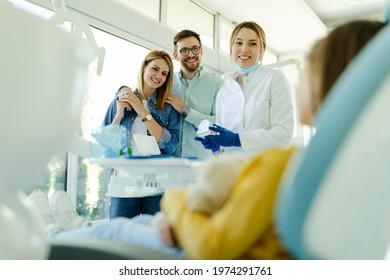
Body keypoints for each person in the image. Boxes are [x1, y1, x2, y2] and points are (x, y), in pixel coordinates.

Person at [28, 20, 385, 259]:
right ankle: (72, 227)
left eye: (309, 68)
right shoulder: (219, 84)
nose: (245, 49)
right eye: (238, 43)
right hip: (227, 184)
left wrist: (180, 205)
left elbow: (216, 241)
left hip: (217, 209)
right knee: (130, 225)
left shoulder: (281, 150)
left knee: (132, 229)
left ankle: (56, 234)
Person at [196, 21, 294, 159]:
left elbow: (283, 135)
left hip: (261, 170)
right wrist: (216, 148)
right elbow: (223, 148)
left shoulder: (274, 79)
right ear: (231, 48)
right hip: (229, 171)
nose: (244, 49)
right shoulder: (225, 90)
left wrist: (238, 139)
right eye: (239, 43)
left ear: (262, 49)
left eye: (253, 43)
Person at [102, 50, 180, 219]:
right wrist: (118, 115)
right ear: (144, 67)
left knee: (153, 239)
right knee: (120, 238)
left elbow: (171, 145)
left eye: (164, 73)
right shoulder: (120, 100)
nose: (158, 76)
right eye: (155, 69)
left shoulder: (168, 107)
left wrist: (141, 109)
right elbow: (106, 144)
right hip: (124, 181)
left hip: (157, 183)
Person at [165, 29, 225, 160]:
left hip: (202, 165)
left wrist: (185, 110)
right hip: (169, 164)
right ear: (175, 55)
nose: (191, 54)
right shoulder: (166, 83)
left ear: (201, 51)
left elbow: (220, 124)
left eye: (195, 49)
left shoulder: (217, 84)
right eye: (184, 50)